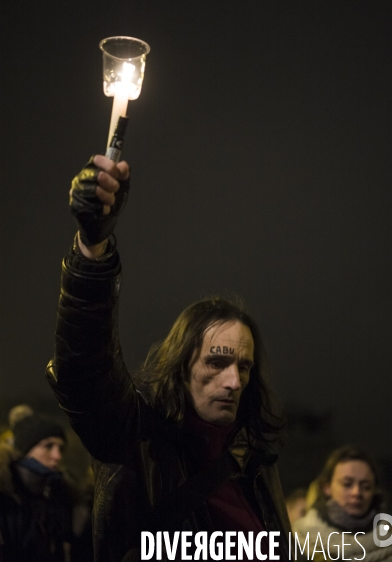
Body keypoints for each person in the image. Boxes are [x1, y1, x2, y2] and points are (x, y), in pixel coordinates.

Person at [46, 154, 291, 562]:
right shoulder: (137, 438)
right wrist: (93, 250)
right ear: (182, 364)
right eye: (216, 362)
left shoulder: (254, 455)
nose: (233, 381)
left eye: (243, 367)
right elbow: (85, 370)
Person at [292, 445, 392, 562]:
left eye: (366, 486)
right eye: (347, 484)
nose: (357, 492)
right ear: (327, 487)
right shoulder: (298, 537)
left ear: (375, 490)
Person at [0, 413, 74, 561]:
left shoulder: (60, 495)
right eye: (48, 446)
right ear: (26, 449)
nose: (57, 456)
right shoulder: (5, 500)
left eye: (61, 448)